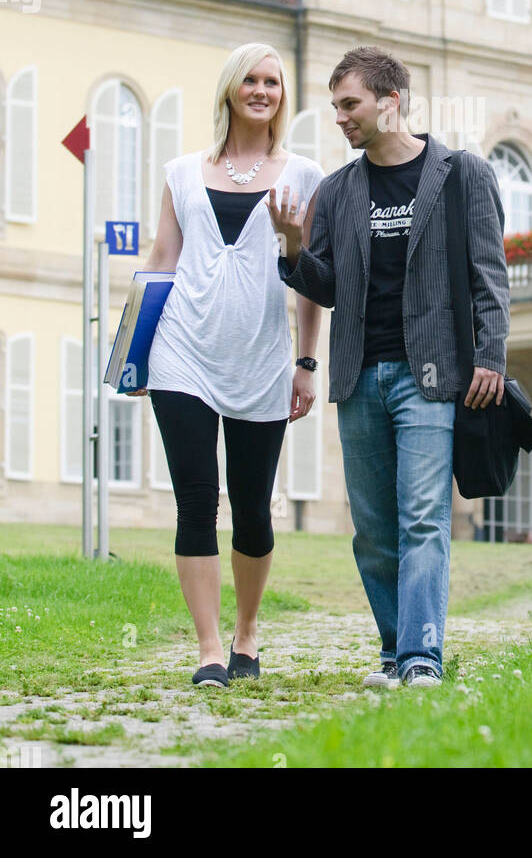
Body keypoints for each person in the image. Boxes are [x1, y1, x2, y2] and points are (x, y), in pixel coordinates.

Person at [268, 45, 510, 687]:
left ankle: (423, 656)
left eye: (350, 104)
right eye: (335, 106)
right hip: (358, 376)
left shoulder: (464, 175)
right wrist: (293, 250)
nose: (340, 118)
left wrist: (490, 355)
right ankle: (393, 649)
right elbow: (324, 288)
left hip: (429, 377)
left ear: (390, 101)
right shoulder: (339, 190)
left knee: (423, 516)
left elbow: (490, 277)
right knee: (373, 530)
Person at [135, 43, 324, 687]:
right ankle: (210, 649)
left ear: (281, 95)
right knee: (196, 500)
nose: (262, 89)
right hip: (182, 351)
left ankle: (247, 632)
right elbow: (161, 262)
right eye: (251, 78)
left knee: (253, 507)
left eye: (273, 80)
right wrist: (135, 352)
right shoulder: (183, 172)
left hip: (263, 359)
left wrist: (305, 362)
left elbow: (311, 280)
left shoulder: (304, 176)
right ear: (229, 89)